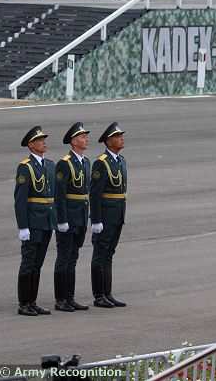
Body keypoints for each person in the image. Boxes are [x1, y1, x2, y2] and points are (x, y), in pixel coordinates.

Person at [14, 126, 56, 316]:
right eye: (39, 140)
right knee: (28, 262)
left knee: (38, 263)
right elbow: (20, 200)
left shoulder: (49, 165)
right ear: (31, 145)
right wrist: (23, 226)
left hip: (47, 221)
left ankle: (33, 301)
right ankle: (24, 303)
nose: (43, 142)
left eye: (44, 139)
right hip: (32, 222)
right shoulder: (26, 167)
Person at [53, 122, 91, 312]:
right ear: (74, 141)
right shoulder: (64, 164)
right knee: (64, 258)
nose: (86, 139)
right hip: (68, 218)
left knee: (73, 258)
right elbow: (59, 195)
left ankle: (70, 297)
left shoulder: (85, 162)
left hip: (81, 217)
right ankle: (61, 299)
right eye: (83, 136)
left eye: (86, 136)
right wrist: (61, 220)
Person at [90, 122, 127, 308]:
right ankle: (99, 295)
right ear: (108, 141)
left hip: (117, 215)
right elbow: (95, 194)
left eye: (121, 135)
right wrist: (96, 220)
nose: (121, 138)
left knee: (109, 253)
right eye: (117, 136)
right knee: (100, 254)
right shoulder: (101, 163)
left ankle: (108, 292)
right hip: (105, 216)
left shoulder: (121, 161)